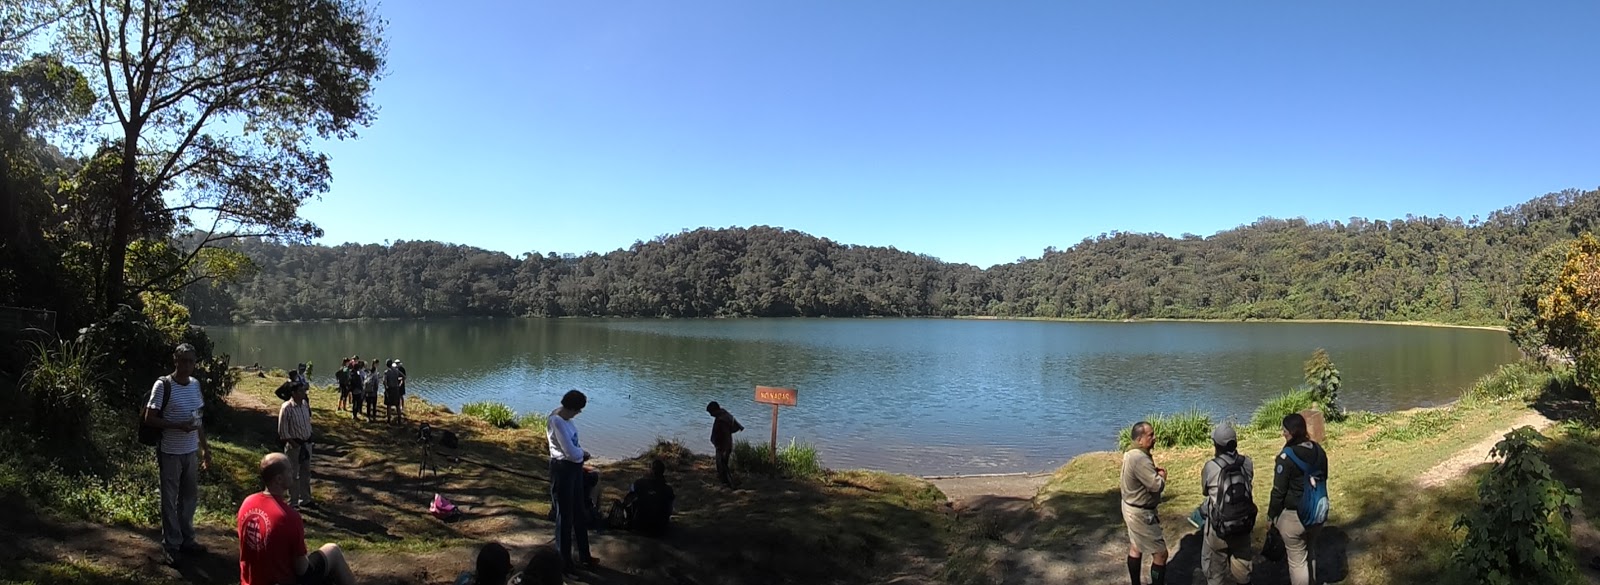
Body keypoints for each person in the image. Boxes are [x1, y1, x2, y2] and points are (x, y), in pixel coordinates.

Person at [237, 453, 356, 585]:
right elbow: (302, 569)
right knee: (333, 550)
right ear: (279, 479)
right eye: (289, 470)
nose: (293, 471)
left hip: (250, 581)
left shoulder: (247, 503)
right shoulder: (289, 517)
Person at [144, 343, 213, 559]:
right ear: (175, 361)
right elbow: (149, 419)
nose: (187, 365)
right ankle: (171, 544)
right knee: (170, 499)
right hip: (170, 451)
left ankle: (187, 539)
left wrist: (205, 449)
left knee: (189, 498)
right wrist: (177, 426)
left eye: (191, 361)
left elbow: (198, 420)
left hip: (190, 451)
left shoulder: (195, 385)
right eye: (183, 360)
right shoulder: (163, 386)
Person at [1270, 413, 1329, 585]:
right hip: (1318, 512)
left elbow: (1278, 491)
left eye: (1285, 430)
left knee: (1297, 561)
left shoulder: (1286, 457)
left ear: (1293, 432)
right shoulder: (1319, 450)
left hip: (1294, 516)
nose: (1283, 433)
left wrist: (1271, 516)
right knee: (1310, 552)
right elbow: (1324, 477)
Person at [547, 389, 600, 573]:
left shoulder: (565, 418)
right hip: (563, 470)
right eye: (578, 410)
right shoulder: (557, 421)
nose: (579, 413)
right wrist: (583, 455)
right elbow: (570, 452)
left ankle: (584, 556)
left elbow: (574, 447)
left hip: (574, 468)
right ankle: (564, 563)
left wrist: (580, 455)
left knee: (579, 511)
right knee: (565, 517)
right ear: (571, 408)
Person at [1200, 423, 1255, 585]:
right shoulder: (1247, 463)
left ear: (1216, 445)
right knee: (1243, 572)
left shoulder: (1211, 467)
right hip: (1243, 524)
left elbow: (1205, 491)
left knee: (1215, 574)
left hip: (1218, 529)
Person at [1121, 420, 1168, 585]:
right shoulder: (1140, 458)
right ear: (1140, 439)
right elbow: (1156, 486)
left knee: (1136, 546)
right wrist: (1162, 475)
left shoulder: (1130, 453)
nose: (1155, 438)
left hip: (1130, 507)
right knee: (1161, 554)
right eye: (1151, 435)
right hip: (1140, 514)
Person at [277, 377, 316, 509]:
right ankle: (293, 502)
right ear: (294, 393)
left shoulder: (305, 404)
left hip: (306, 444)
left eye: (304, 390)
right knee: (293, 474)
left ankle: (306, 499)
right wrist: (293, 443)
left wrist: (310, 437)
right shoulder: (286, 407)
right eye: (301, 391)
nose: (304, 393)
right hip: (295, 445)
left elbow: (307, 423)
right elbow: (282, 431)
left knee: (306, 472)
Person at [621, 459, 675, 536]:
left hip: (639, 526)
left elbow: (626, 501)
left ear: (651, 471)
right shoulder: (668, 489)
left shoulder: (638, 483)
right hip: (660, 528)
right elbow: (670, 508)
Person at [706, 401, 744, 488]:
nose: (711, 415)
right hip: (723, 445)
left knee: (723, 465)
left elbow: (724, 434)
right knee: (721, 465)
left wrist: (722, 446)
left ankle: (730, 484)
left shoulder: (722, 420)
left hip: (723, 446)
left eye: (711, 413)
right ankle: (725, 482)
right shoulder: (724, 415)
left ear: (715, 410)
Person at [383, 359, 405, 424]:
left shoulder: (386, 372)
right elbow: (404, 377)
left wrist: (386, 387)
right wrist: (399, 383)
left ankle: (389, 419)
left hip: (389, 389)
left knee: (389, 405)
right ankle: (399, 420)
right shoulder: (396, 371)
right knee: (397, 405)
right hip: (396, 389)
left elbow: (384, 381)